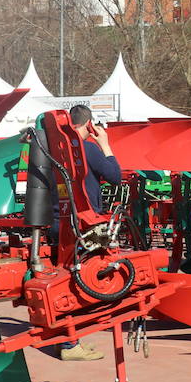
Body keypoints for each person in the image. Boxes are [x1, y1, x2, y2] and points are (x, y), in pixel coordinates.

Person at [58, 104, 123, 362]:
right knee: (96, 273)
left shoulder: (55, 149)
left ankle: (69, 339)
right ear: (89, 125)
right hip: (85, 225)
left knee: (65, 276)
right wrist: (105, 144)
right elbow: (115, 176)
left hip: (58, 221)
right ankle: (73, 341)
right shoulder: (88, 149)